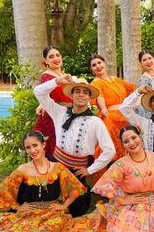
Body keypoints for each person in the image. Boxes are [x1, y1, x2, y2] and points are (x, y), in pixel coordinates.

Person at [34, 74, 116, 217]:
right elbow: (38, 92)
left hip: (76, 172)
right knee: (42, 204)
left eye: (85, 92)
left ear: (90, 98)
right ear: (71, 95)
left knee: (77, 211)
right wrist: (57, 81)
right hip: (54, 166)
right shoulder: (59, 111)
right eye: (77, 91)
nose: (81, 95)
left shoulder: (95, 122)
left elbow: (110, 150)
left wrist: (90, 170)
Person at [89, 54, 136, 160]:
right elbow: (99, 96)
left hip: (126, 115)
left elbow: (132, 88)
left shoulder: (116, 79)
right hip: (111, 117)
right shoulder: (95, 83)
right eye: (94, 65)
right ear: (91, 69)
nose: (98, 66)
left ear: (104, 63)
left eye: (99, 63)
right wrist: (103, 107)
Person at [33, 45, 72, 157]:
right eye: (51, 57)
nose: (55, 58)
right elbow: (45, 91)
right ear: (46, 61)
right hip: (55, 115)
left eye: (57, 55)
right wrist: (42, 104)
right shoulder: (46, 75)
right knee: (55, 149)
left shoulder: (65, 75)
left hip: (70, 113)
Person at [136, 50, 154, 119]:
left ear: (153, 59)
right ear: (141, 63)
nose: (148, 62)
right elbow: (142, 100)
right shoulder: (143, 79)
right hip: (152, 114)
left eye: (149, 58)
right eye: (144, 60)